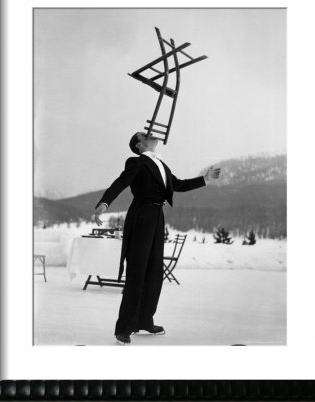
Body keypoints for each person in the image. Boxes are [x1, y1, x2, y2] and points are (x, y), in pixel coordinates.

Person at [94, 132, 221, 345]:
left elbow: (177, 185)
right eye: (145, 134)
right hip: (141, 216)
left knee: (154, 272)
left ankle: (144, 320)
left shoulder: (161, 164)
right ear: (139, 144)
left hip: (156, 217)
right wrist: (104, 203)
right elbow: (120, 183)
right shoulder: (135, 161)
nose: (151, 134)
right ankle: (124, 327)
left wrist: (205, 179)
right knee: (137, 271)